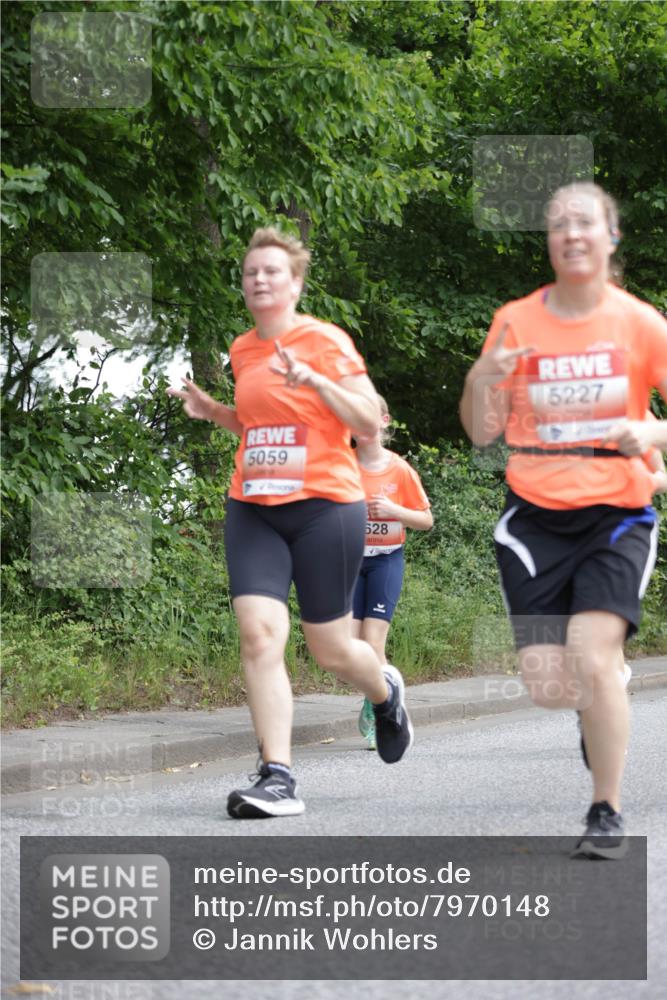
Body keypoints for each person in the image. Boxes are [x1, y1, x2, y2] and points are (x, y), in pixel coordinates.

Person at [167, 226, 413, 819]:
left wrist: (318, 380)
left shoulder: (326, 341)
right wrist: (214, 411)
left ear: (296, 282)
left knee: (330, 649)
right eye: (251, 272)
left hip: (326, 507)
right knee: (258, 633)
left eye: (272, 271)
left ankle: (385, 692)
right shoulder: (243, 348)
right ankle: (277, 775)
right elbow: (261, 427)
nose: (260, 280)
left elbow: (366, 425)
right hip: (253, 506)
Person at [459, 182, 667, 859]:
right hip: (534, 518)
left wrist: (651, 428)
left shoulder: (639, 324)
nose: (571, 234)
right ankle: (589, 706)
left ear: (610, 238)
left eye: (585, 223)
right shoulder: (515, 320)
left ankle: (603, 809)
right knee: (550, 684)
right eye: (557, 226)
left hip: (616, 510)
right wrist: (481, 376)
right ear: (548, 243)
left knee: (593, 652)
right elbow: (479, 430)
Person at [351, 396, 433, 749]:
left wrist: (394, 510)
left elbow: (426, 521)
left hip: (386, 560)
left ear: (384, 421)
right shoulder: (341, 466)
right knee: (350, 647)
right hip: (350, 562)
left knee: (372, 643)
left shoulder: (399, 470)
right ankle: (378, 693)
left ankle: (381, 711)